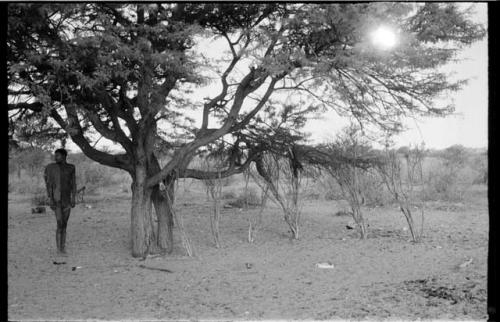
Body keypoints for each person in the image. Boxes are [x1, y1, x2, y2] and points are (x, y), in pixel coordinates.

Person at [44, 148, 76, 255]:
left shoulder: (71, 167)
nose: (55, 157)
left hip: (67, 200)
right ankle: (58, 249)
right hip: (56, 200)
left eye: (57, 155)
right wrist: (50, 199)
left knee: (65, 224)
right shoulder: (51, 168)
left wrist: (73, 198)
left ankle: (63, 248)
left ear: (64, 156)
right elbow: (48, 185)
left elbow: (73, 184)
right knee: (59, 223)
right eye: (55, 155)